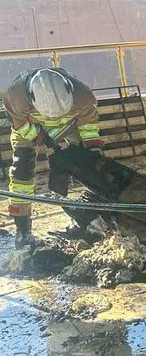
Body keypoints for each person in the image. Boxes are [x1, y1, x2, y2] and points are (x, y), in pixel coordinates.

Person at [3, 68, 103, 247]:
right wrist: (47, 143)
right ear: (31, 97)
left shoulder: (83, 96)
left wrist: (93, 153)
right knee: (21, 174)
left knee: (93, 165)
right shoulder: (15, 96)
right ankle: (23, 230)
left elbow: (88, 127)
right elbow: (20, 125)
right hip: (30, 128)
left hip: (69, 124)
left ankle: (94, 218)